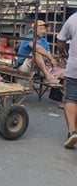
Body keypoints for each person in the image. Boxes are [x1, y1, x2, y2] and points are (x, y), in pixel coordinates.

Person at [15, 20, 64, 86]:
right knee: (36, 53)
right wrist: (51, 58)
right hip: (24, 67)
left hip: (40, 68)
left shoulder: (44, 41)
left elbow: (48, 53)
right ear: (34, 29)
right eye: (41, 29)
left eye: (44, 29)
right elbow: (37, 48)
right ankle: (48, 77)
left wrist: (52, 61)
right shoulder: (28, 38)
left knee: (65, 74)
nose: (43, 31)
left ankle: (66, 95)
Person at [55, 14, 77, 149]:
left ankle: (72, 132)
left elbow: (60, 40)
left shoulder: (74, 18)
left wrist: (62, 52)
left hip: (75, 66)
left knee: (71, 99)